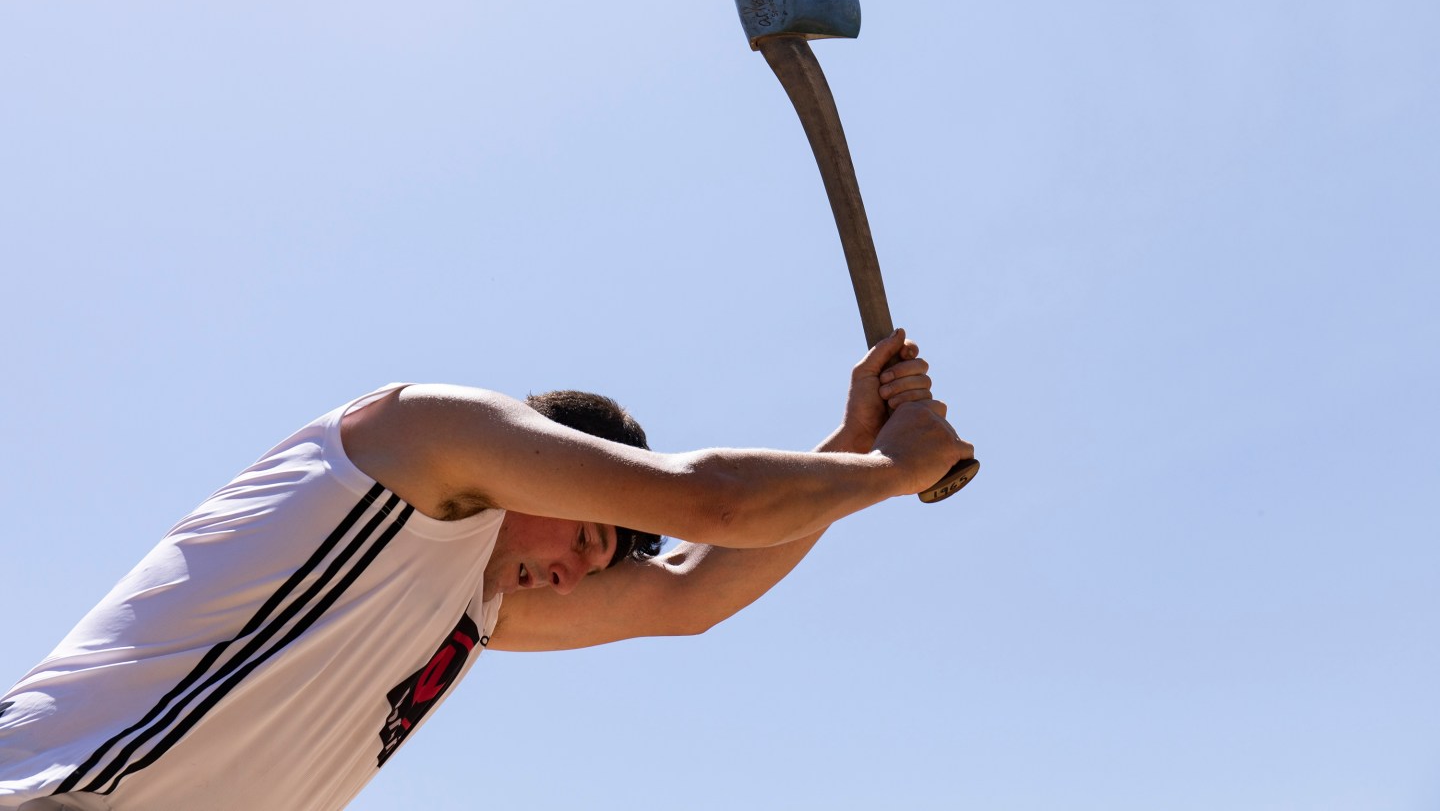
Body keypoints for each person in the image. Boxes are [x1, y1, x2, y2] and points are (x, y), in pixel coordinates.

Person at [0, 330, 972, 811]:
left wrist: (850, 444)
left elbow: (690, 589)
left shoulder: (473, 607)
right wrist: (890, 471)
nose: (572, 575)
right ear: (549, 457)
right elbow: (707, 504)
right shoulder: (429, 436)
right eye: (586, 538)